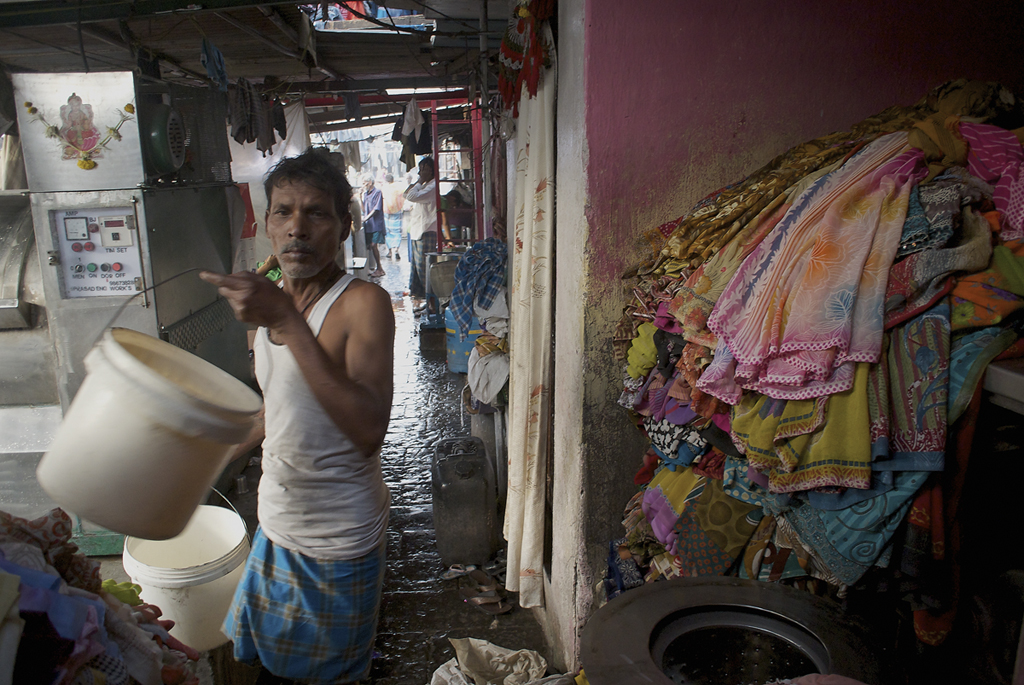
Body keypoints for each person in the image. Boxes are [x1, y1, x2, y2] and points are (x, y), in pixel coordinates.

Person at [199, 147, 394, 684]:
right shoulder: (270, 304)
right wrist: (203, 459)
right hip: (277, 526)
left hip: (337, 541)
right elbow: (278, 408)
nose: (297, 228)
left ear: (345, 226)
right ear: (266, 224)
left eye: (317, 212)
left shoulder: (362, 304)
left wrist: (287, 320)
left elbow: (367, 431)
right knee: (267, 673)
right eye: (283, 212)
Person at [403, 157, 437, 305]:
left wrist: (419, 181)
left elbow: (411, 196)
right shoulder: (424, 184)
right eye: (420, 169)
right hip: (418, 230)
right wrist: (419, 180)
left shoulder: (433, 185)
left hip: (426, 231)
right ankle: (426, 301)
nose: (421, 172)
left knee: (425, 269)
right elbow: (406, 193)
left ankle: (432, 303)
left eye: (425, 169)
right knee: (418, 268)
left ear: (431, 170)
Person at [361, 173, 386, 278]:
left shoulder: (377, 192)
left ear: (370, 182)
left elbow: (376, 208)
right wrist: (359, 196)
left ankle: (379, 268)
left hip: (376, 224)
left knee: (374, 245)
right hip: (369, 225)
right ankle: (374, 267)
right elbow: (364, 210)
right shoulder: (366, 194)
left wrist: (366, 218)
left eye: (364, 183)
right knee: (369, 246)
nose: (363, 185)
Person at [381, 172, 404, 260]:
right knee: (397, 231)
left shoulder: (384, 188)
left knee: (388, 232)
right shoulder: (399, 188)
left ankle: (390, 251)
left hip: (387, 211)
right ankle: (396, 250)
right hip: (397, 211)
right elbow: (403, 198)